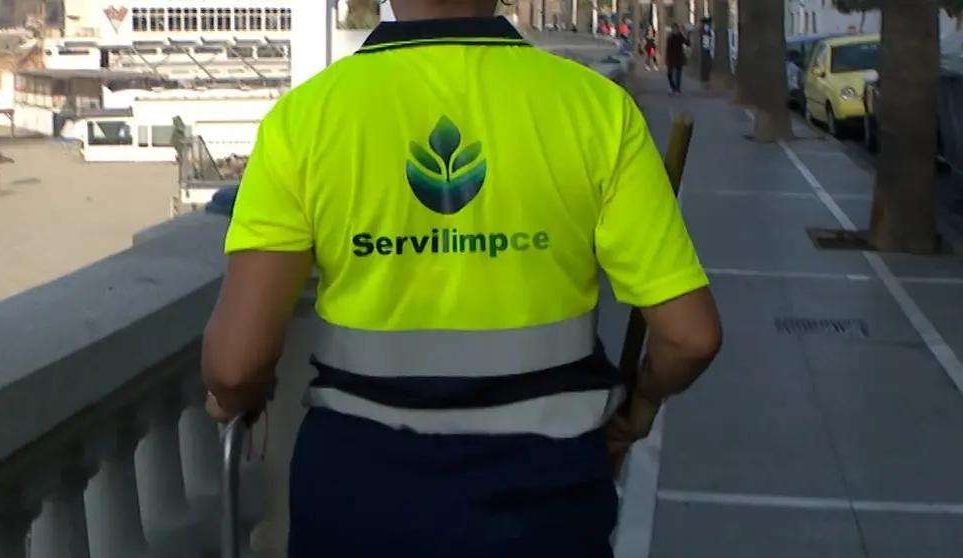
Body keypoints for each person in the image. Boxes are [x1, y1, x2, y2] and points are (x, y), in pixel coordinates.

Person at [201, 0, 721, 556]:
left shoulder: (303, 120)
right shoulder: (597, 110)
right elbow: (690, 337)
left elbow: (235, 365)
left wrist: (241, 393)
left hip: (357, 499)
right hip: (545, 502)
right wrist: (639, 407)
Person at [666, 22, 690, 95]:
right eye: (673, 29)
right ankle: (673, 87)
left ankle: (677, 89)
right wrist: (666, 58)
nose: (674, 30)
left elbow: (687, 43)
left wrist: (686, 36)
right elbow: (668, 48)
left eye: (675, 29)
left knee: (678, 74)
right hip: (671, 57)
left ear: (677, 29)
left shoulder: (680, 36)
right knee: (669, 74)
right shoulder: (670, 37)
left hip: (679, 57)